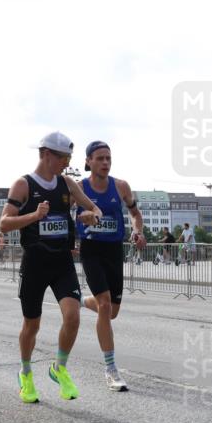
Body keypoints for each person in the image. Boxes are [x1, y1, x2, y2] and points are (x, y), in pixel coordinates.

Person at [0, 131, 103, 403]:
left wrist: (91, 216)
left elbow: (94, 209)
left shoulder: (67, 184)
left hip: (62, 262)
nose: (66, 163)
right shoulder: (23, 185)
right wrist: (35, 215)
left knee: (73, 316)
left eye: (69, 158)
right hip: (34, 263)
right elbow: (4, 223)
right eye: (63, 158)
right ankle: (25, 373)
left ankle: (59, 368)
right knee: (31, 325)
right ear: (46, 154)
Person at [75, 140, 145, 392]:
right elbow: (61, 214)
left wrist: (137, 233)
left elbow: (135, 214)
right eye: (100, 158)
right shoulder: (79, 187)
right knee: (104, 305)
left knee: (112, 311)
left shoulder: (121, 186)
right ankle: (111, 369)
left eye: (108, 158)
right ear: (88, 162)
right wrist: (78, 224)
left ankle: (82, 300)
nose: (105, 162)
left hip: (114, 252)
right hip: (92, 250)